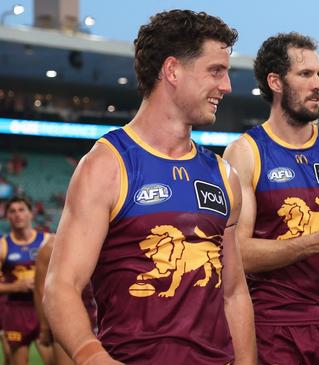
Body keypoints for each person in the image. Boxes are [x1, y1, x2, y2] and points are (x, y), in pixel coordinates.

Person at [43, 10, 255, 364]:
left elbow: (233, 293)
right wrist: (93, 357)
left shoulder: (223, 175)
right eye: (216, 71)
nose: (227, 86)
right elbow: (61, 287)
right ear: (172, 71)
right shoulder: (107, 165)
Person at [224, 32, 319, 364]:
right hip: (274, 328)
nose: (318, 84)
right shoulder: (245, 153)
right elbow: (237, 255)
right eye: (305, 74)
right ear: (275, 82)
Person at [0, 197, 53, 365]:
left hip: (45, 310)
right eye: (12, 211)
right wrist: (16, 286)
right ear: (7, 216)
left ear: (31, 213)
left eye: (21, 210)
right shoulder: (3, 246)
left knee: (56, 361)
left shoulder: (48, 241)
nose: (17, 215)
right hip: (16, 311)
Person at [35, 235, 98, 365]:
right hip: (66, 317)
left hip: (101, 316)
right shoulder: (51, 246)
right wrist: (44, 325)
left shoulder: (106, 240)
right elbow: (41, 288)